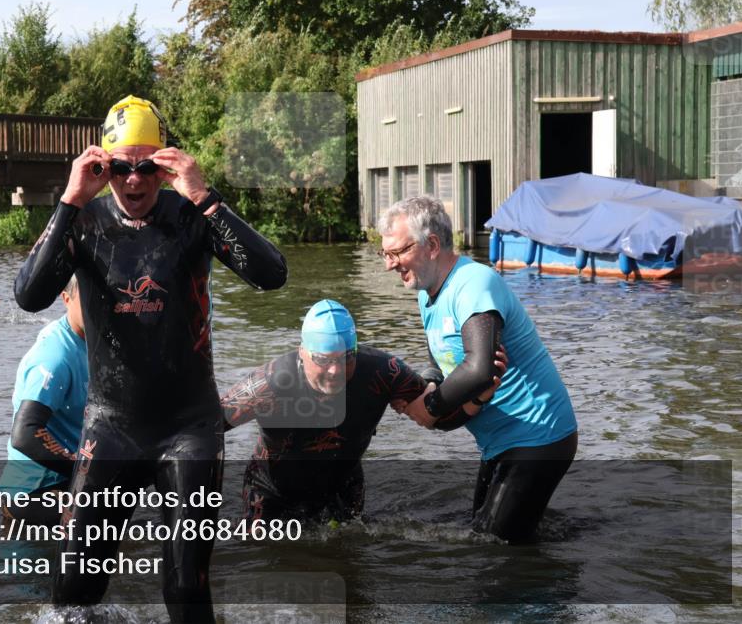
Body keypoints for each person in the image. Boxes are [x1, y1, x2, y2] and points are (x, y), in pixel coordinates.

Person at [14, 95, 287, 622]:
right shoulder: (85, 222)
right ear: (103, 167)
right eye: (120, 168)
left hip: (190, 429)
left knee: (185, 587)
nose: (134, 181)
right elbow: (29, 295)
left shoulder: (193, 216)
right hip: (111, 427)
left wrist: (205, 196)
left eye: (147, 167)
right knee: (73, 587)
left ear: (166, 167)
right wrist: (69, 200)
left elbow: (271, 275)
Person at [378, 196, 578, 543]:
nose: (389, 264)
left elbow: (480, 369)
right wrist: (426, 385)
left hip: (538, 436)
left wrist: (430, 407)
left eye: (397, 252)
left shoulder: (473, 284)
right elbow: (441, 362)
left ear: (432, 245)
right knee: (483, 535)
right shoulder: (427, 292)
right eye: (385, 253)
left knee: (495, 548)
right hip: (498, 441)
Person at [221, 299, 505, 523]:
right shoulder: (270, 384)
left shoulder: (383, 372)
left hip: (343, 488)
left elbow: (436, 419)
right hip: (271, 494)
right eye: (323, 360)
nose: (335, 371)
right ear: (302, 352)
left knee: (351, 561)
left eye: (347, 358)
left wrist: (479, 398)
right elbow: (206, 426)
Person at [0, 276, 88, 528]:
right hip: (34, 491)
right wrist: (87, 473)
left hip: (72, 480)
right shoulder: (54, 355)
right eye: (88, 297)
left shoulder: (101, 342)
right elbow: (25, 434)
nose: (98, 304)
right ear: (66, 299)